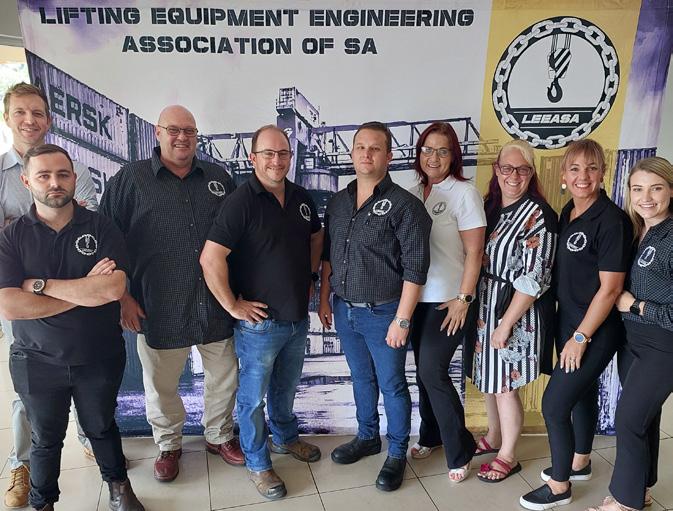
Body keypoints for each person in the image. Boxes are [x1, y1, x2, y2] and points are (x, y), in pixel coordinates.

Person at [99, 105, 243, 483]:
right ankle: (168, 444)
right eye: (174, 130)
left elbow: (239, 237)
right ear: (158, 132)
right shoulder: (130, 180)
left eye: (189, 131)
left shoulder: (218, 177)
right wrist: (123, 298)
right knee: (160, 385)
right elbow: (107, 241)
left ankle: (219, 435)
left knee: (223, 377)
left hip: (215, 302)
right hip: (157, 305)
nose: (182, 138)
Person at [0, 144, 144, 511]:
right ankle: (42, 502)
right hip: (36, 360)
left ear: (74, 178)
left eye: (62, 174)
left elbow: (113, 288)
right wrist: (85, 291)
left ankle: (119, 488)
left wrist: (40, 285)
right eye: (44, 175)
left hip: (98, 354)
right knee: (45, 438)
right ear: (26, 181)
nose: (54, 183)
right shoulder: (12, 236)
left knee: (101, 426)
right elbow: (10, 305)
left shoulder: (101, 226)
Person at [200, 125, 323, 500]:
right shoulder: (240, 202)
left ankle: (285, 438)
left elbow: (316, 235)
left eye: (283, 153)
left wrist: (311, 276)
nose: (276, 161)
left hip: (297, 319)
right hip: (260, 326)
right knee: (253, 399)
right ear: (253, 158)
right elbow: (210, 258)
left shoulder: (301, 197)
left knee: (286, 388)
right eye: (268, 153)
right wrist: (232, 305)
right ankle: (258, 463)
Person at [319, 121, 432, 492]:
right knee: (361, 377)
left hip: (384, 313)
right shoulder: (338, 202)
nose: (366, 154)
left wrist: (403, 319)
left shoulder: (406, 206)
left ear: (389, 156)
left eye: (375, 148)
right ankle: (367, 436)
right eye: (360, 147)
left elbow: (416, 269)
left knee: (392, 384)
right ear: (352, 153)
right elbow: (329, 255)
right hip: (344, 308)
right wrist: (325, 299)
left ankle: (397, 451)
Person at [1, 82, 98, 509]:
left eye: (37, 112)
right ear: (7, 118)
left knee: (85, 371)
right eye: (21, 112)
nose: (30, 120)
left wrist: (32, 261)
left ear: (49, 119)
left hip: (64, 292)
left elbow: (89, 225)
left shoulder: (79, 171)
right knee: (31, 389)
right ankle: (22, 464)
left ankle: (89, 438)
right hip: (26, 304)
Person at [520, 139, 632, 509]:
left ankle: (559, 487)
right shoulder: (568, 211)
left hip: (595, 329)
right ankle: (579, 461)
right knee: (581, 394)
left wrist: (581, 337)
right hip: (567, 322)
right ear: (564, 177)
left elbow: (610, 289)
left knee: (554, 405)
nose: (583, 176)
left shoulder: (611, 220)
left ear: (603, 173)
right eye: (575, 169)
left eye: (592, 168)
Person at [586, 157, 673, 511]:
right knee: (645, 419)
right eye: (638, 189)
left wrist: (635, 306)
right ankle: (641, 489)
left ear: (671, 190)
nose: (646, 198)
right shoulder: (639, 231)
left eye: (656, 188)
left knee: (628, 420)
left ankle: (625, 503)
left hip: (663, 344)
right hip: (633, 342)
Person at [473, 139, 558, 483]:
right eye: (507, 168)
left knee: (506, 385)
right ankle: (494, 436)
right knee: (489, 379)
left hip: (516, 310)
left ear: (531, 173)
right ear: (497, 170)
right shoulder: (490, 207)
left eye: (522, 169)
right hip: (485, 303)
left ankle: (508, 455)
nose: (514, 176)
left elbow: (536, 277)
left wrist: (506, 323)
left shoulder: (540, 214)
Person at [406, 122, 485, 482]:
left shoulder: (464, 193)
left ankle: (460, 448)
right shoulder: (412, 192)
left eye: (442, 150)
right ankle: (431, 435)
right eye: (427, 149)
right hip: (415, 300)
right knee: (423, 375)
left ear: (453, 156)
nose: (433, 157)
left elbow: (475, 252)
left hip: (449, 300)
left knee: (432, 372)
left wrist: (463, 299)